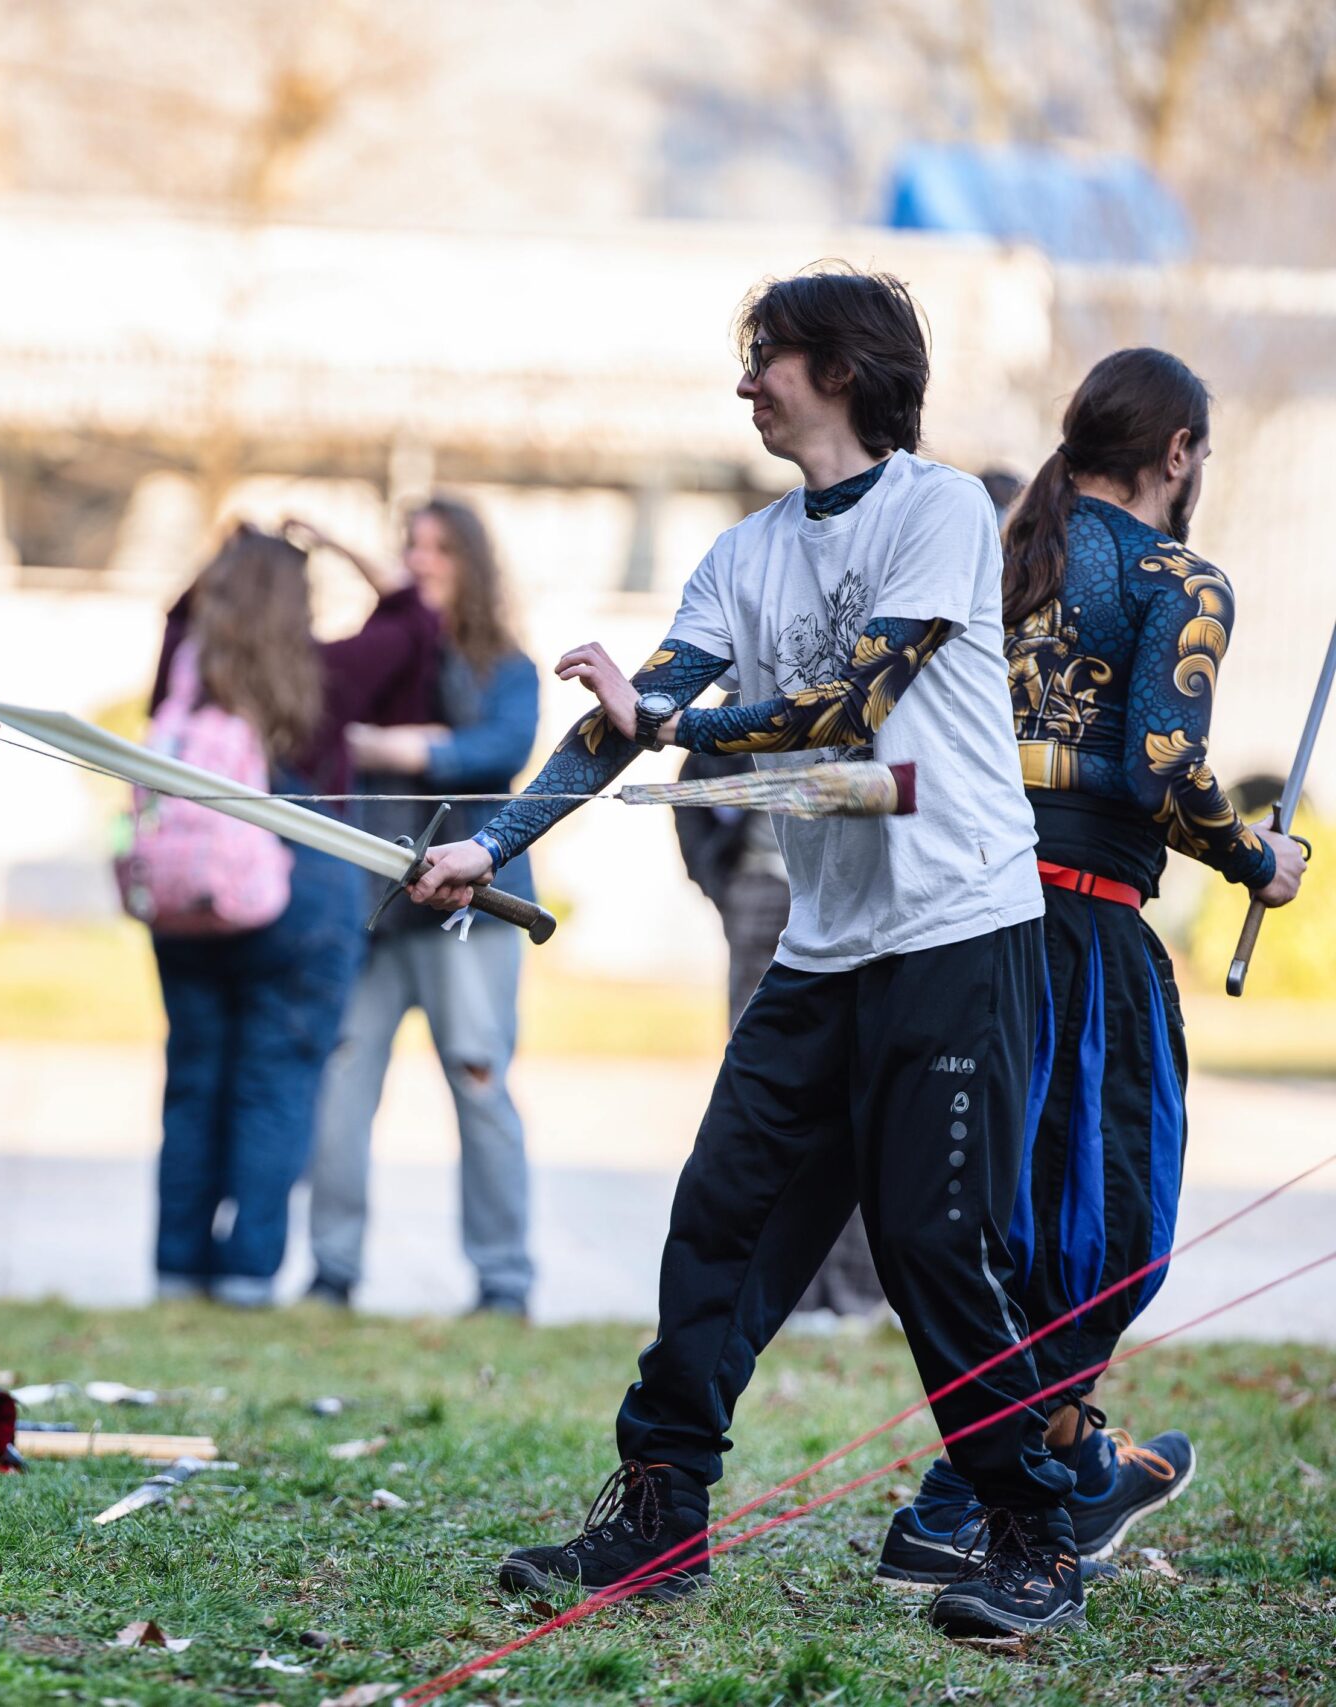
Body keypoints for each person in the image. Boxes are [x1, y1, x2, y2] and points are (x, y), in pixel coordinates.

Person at [411, 268, 1086, 1638]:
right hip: (824, 951)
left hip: (958, 932)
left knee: (932, 1244)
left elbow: (855, 698)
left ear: (841, 368)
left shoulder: (941, 510)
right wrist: (491, 842)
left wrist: (672, 728)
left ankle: (1034, 1534)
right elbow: (626, 719)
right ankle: (661, 1513)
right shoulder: (743, 554)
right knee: (719, 1216)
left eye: (765, 356)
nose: (744, 383)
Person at [876, 348, 1308, 1586]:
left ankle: (1031, 1478)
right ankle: (980, 1496)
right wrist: (1257, 858)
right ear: (1177, 453)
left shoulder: (1005, 555)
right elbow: (1162, 766)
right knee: (1107, 1217)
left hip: (958, 918)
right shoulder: (1181, 580)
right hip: (1078, 929)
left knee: (1003, 1211)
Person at [148, 521, 439, 1307]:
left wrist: (230, 550)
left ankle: (177, 1270)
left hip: (189, 895)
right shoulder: (325, 673)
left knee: (195, 1077)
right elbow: (416, 622)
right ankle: (249, 1273)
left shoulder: (186, 670)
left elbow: (177, 612)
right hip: (304, 893)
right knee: (275, 1083)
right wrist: (337, 543)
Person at [302, 498, 542, 1316]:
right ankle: (330, 1271)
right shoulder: (385, 652)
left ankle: (503, 1280)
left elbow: (497, 750)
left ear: (473, 562)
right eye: (410, 545)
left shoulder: (504, 666)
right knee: (340, 1082)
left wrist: (392, 744)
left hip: (471, 915)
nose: (420, 559)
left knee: (480, 1078)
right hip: (373, 914)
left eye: (439, 547)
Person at [669, 750, 887, 1329]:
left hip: (860, 896)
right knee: (766, 1099)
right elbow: (692, 788)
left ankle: (859, 1294)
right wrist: (725, 883)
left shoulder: (874, 701)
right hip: (763, 892)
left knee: (859, 1092)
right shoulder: (739, 714)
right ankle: (781, 1295)